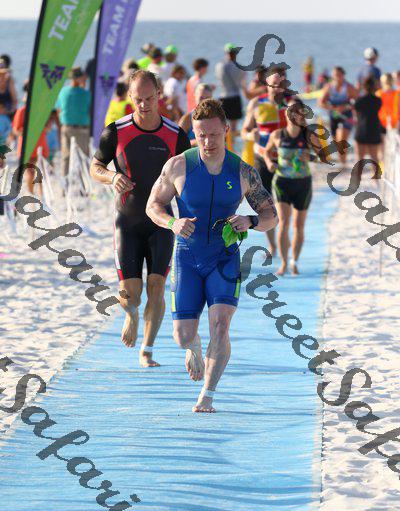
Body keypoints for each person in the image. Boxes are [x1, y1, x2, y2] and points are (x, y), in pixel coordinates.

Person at [146, 98, 278, 413]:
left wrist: (251, 221)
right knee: (182, 335)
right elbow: (153, 206)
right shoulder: (178, 166)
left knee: (220, 325)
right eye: (200, 135)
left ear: (226, 130)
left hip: (224, 258)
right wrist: (172, 223)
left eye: (214, 135)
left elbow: (271, 214)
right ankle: (192, 347)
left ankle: (207, 394)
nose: (207, 142)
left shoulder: (243, 171)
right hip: (187, 258)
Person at [89, 70, 191, 367]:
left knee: (157, 287)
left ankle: (147, 349)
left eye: (149, 98)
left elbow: (187, 179)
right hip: (128, 222)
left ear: (159, 94)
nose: (144, 105)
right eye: (138, 100)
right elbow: (95, 167)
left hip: (161, 222)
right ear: (130, 98)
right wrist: (112, 177)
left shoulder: (175, 135)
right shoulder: (116, 131)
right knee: (131, 295)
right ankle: (131, 314)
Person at [265, 99, 321, 276]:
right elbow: (267, 151)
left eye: (297, 110)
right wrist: (269, 163)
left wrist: (310, 158)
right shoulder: (277, 135)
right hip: (282, 183)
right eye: (290, 109)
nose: (293, 113)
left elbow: (322, 156)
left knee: (298, 225)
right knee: (283, 222)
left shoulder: (309, 135)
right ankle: (283, 263)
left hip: (302, 184)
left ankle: (294, 261)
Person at [241, 69, 289, 256]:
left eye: (280, 85)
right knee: (266, 205)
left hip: (285, 160)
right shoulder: (256, 103)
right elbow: (245, 130)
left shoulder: (291, 104)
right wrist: (250, 135)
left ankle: (283, 241)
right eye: (272, 84)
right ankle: (273, 245)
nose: (276, 88)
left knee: (285, 205)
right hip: (262, 158)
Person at [12, 80, 50, 194]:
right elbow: (17, 130)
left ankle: (37, 195)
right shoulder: (26, 111)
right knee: (34, 172)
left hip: (35, 145)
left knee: (36, 171)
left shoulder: (27, 111)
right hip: (33, 145)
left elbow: (16, 130)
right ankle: (37, 195)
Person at [319, 66, 358, 167]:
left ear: (343, 75)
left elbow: (358, 101)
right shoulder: (329, 87)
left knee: (341, 139)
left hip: (347, 116)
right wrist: (332, 108)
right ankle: (343, 163)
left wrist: (347, 106)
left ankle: (343, 163)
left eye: (338, 75)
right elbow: (320, 103)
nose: (337, 77)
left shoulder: (348, 87)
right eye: (335, 75)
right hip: (334, 117)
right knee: (337, 143)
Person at [55, 66, 91, 176]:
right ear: (80, 78)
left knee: (66, 157)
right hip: (82, 128)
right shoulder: (86, 93)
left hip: (66, 127)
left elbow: (58, 110)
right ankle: (84, 182)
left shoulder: (63, 91)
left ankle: (64, 182)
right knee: (83, 157)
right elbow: (90, 111)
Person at [215, 43, 248, 145]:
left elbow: (219, 79)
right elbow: (243, 83)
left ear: (226, 53)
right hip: (235, 97)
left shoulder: (219, 66)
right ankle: (231, 145)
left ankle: (222, 145)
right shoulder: (241, 68)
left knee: (222, 125)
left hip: (223, 96)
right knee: (233, 127)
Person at [354, 76, 382, 172]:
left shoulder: (359, 100)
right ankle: (377, 178)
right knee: (374, 157)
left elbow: (355, 113)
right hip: (374, 129)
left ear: (364, 86)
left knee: (359, 158)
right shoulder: (378, 100)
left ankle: (357, 178)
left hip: (361, 129)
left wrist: (358, 90)